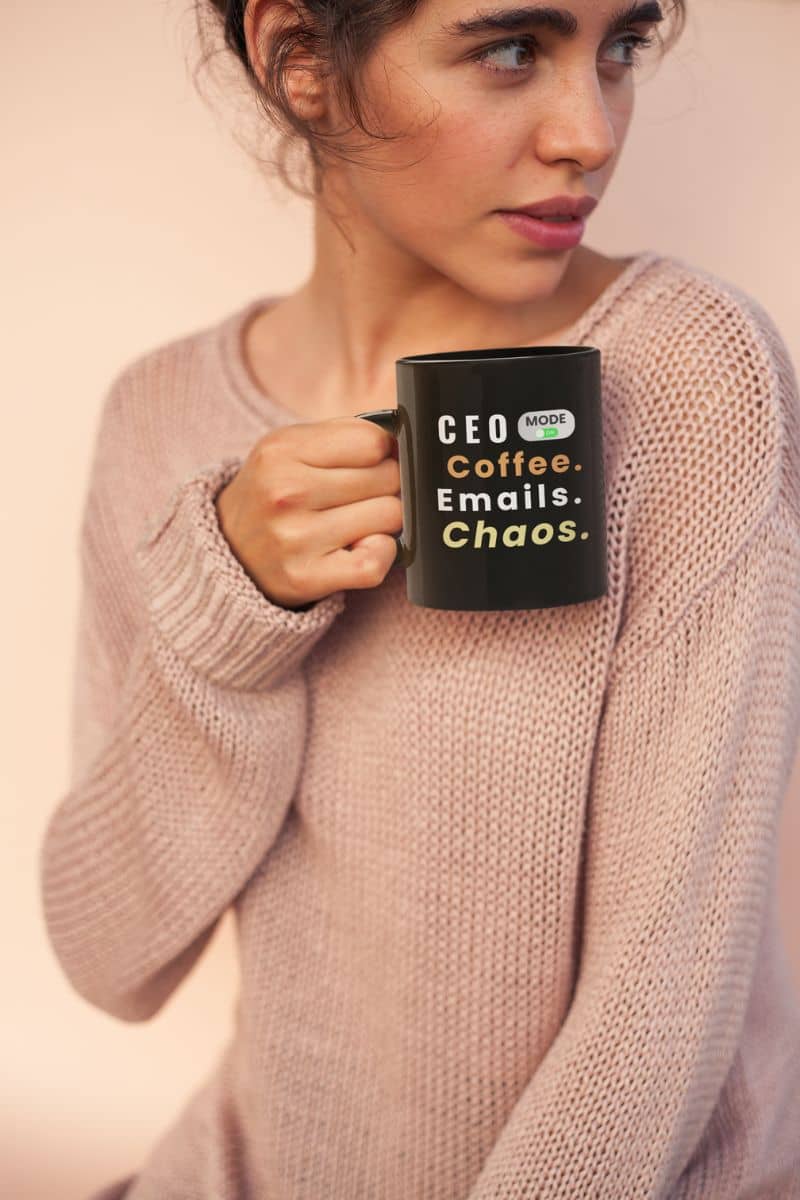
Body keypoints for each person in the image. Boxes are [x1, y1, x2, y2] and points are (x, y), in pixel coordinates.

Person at [40, 0, 800, 1197]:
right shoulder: (161, 416)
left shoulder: (686, 375)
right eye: (510, 49)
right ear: (296, 56)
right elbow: (108, 956)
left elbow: (665, 991)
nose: (589, 132)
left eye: (621, 48)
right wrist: (225, 621)